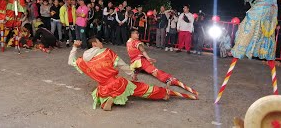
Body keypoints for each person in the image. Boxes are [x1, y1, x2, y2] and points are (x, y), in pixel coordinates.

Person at [215, 0, 281, 103]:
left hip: (260, 9)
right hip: (273, 10)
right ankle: (268, 57)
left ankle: (238, 52)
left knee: (245, 28)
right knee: (268, 34)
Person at [68, 38, 197, 111]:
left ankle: (107, 101)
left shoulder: (83, 61)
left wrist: (74, 47)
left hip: (103, 87)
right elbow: (122, 64)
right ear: (94, 44)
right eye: (100, 42)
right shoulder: (107, 52)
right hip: (118, 83)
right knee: (141, 89)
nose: (102, 44)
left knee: (100, 92)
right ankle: (163, 94)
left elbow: (71, 61)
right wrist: (132, 74)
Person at [127, 29, 198, 95]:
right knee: (154, 71)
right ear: (132, 34)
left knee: (142, 68)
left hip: (134, 62)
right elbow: (142, 51)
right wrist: (148, 58)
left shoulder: (128, 42)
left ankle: (136, 71)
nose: (138, 35)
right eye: (136, 33)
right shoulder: (136, 42)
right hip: (140, 61)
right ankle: (168, 79)